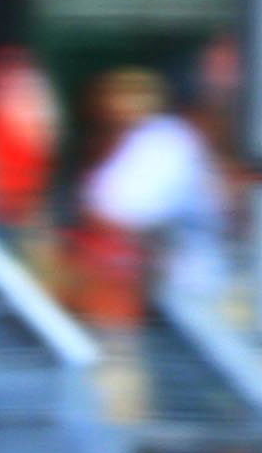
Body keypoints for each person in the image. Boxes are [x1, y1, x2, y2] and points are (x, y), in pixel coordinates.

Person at [78, 65, 229, 317]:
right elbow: (109, 208)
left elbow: (107, 206)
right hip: (172, 293)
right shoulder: (170, 140)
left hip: (186, 290)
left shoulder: (174, 142)